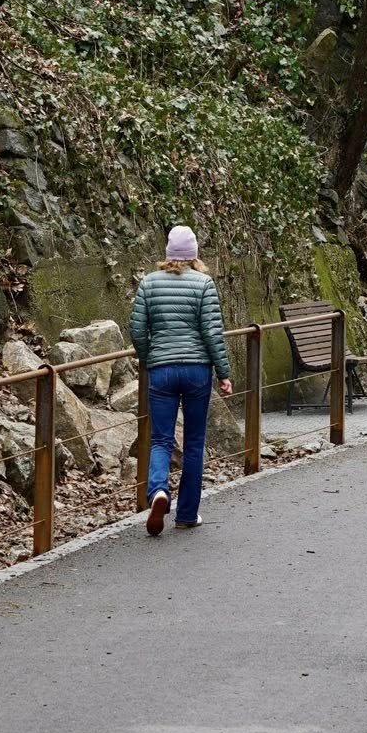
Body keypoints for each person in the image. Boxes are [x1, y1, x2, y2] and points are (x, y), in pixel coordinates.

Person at [129, 226, 233, 535]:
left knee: (161, 438)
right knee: (194, 441)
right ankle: (187, 513)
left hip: (161, 370)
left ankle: (158, 491)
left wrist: (150, 358)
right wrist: (224, 372)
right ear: (194, 254)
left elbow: (137, 329)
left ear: (168, 253)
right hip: (196, 370)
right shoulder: (204, 284)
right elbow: (212, 332)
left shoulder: (148, 284)